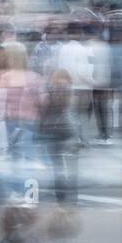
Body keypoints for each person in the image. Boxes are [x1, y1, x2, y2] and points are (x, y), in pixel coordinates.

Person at [38, 71, 80, 205]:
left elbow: (43, 113)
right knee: (72, 165)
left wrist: (40, 129)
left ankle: (60, 194)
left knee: (57, 165)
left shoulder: (49, 94)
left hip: (52, 131)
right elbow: (75, 118)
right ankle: (73, 193)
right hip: (68, 131)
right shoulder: (71, 95)